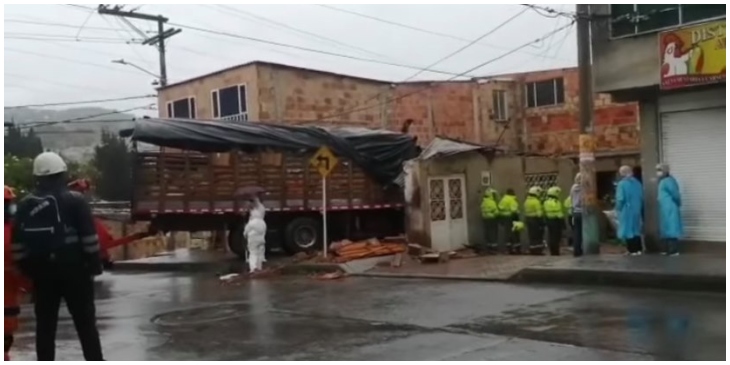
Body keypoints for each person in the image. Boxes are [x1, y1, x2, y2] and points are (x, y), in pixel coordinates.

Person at [11, 152, 104, 361]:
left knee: (45, 326)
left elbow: (17, 244)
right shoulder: (76, 200)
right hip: (75, 271)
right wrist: (94, 266)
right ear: (62, 172)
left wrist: (28, 270)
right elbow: (90, 239)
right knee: (85, 323)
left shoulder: (25, 204)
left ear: (37, 176)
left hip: (42, 274)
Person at [4, 186, 30, 361]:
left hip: (11, 289)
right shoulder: (14, 231)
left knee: (8, 329)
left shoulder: (14, 229)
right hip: (9, 288)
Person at [615, 165, 644, 256]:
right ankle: (639, 249)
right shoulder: (637, 183)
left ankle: (632, 250)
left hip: (626, 210)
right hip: (637, 208)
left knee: (628, 230)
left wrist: (618, 208)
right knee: (636, 229)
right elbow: (641, 196)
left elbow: (620, 198)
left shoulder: (622, 184)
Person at [656, 163, 684, 256]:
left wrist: (678, 203)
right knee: (666, 228)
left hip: (670, 206)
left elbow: (675, 194)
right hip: (665, 207)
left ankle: (673, 250)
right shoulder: (663, 181)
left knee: (671, 228)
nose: (658, 172)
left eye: (659, 170)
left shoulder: (669, 181)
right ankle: (667, 249)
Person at [244, 194, 267, 273]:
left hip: (252, 239)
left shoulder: (251, 223)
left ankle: (253, 269)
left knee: (253, 253)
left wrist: (245, 234)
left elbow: (246, 232)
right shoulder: (263, 223)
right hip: (261, 239)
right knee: (260, 253)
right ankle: (259, 268)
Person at [498, 188, 521, 254]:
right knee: (514, 234)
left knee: (507, 233)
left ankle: (508, 249)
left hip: (504, 218)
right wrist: (517, 213)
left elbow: (500, 207)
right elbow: (514, 210)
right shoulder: (512, 199)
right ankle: (516, 249)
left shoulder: (503, 199)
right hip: (511, 217)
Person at [543, 186, 565, 256]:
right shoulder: (556, 202)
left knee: (551, 236)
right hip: (556, 221)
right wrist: (563, 222)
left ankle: (552, 251)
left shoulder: (545, 202)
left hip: (549, 220)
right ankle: (556, 251)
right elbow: (559, 212)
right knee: (556, 237)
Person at [524, 186, 545, 255]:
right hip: (535, 220)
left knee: (531, 235)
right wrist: (541, 222)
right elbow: (539, 213)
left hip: (528, 219)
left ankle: (532, 249)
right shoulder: (536, 202)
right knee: (538, 235)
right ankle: (538, 250)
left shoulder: (527, 201)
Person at [479, 188, 499, 254]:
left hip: (485, 219)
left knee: (487, 233)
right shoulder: (491, 202)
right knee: (493, 233)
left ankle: (488, 247)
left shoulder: (483, 202)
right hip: (492, 219)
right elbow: (496, 211)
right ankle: (494, 249)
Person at [569, 173, 583, 257]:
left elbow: (571, 198)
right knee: (584, 232)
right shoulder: (584, 188)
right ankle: (583, 249)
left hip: (575, 212)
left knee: (577, 232)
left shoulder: (573, 188)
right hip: (583, 212)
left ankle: (576, 250)